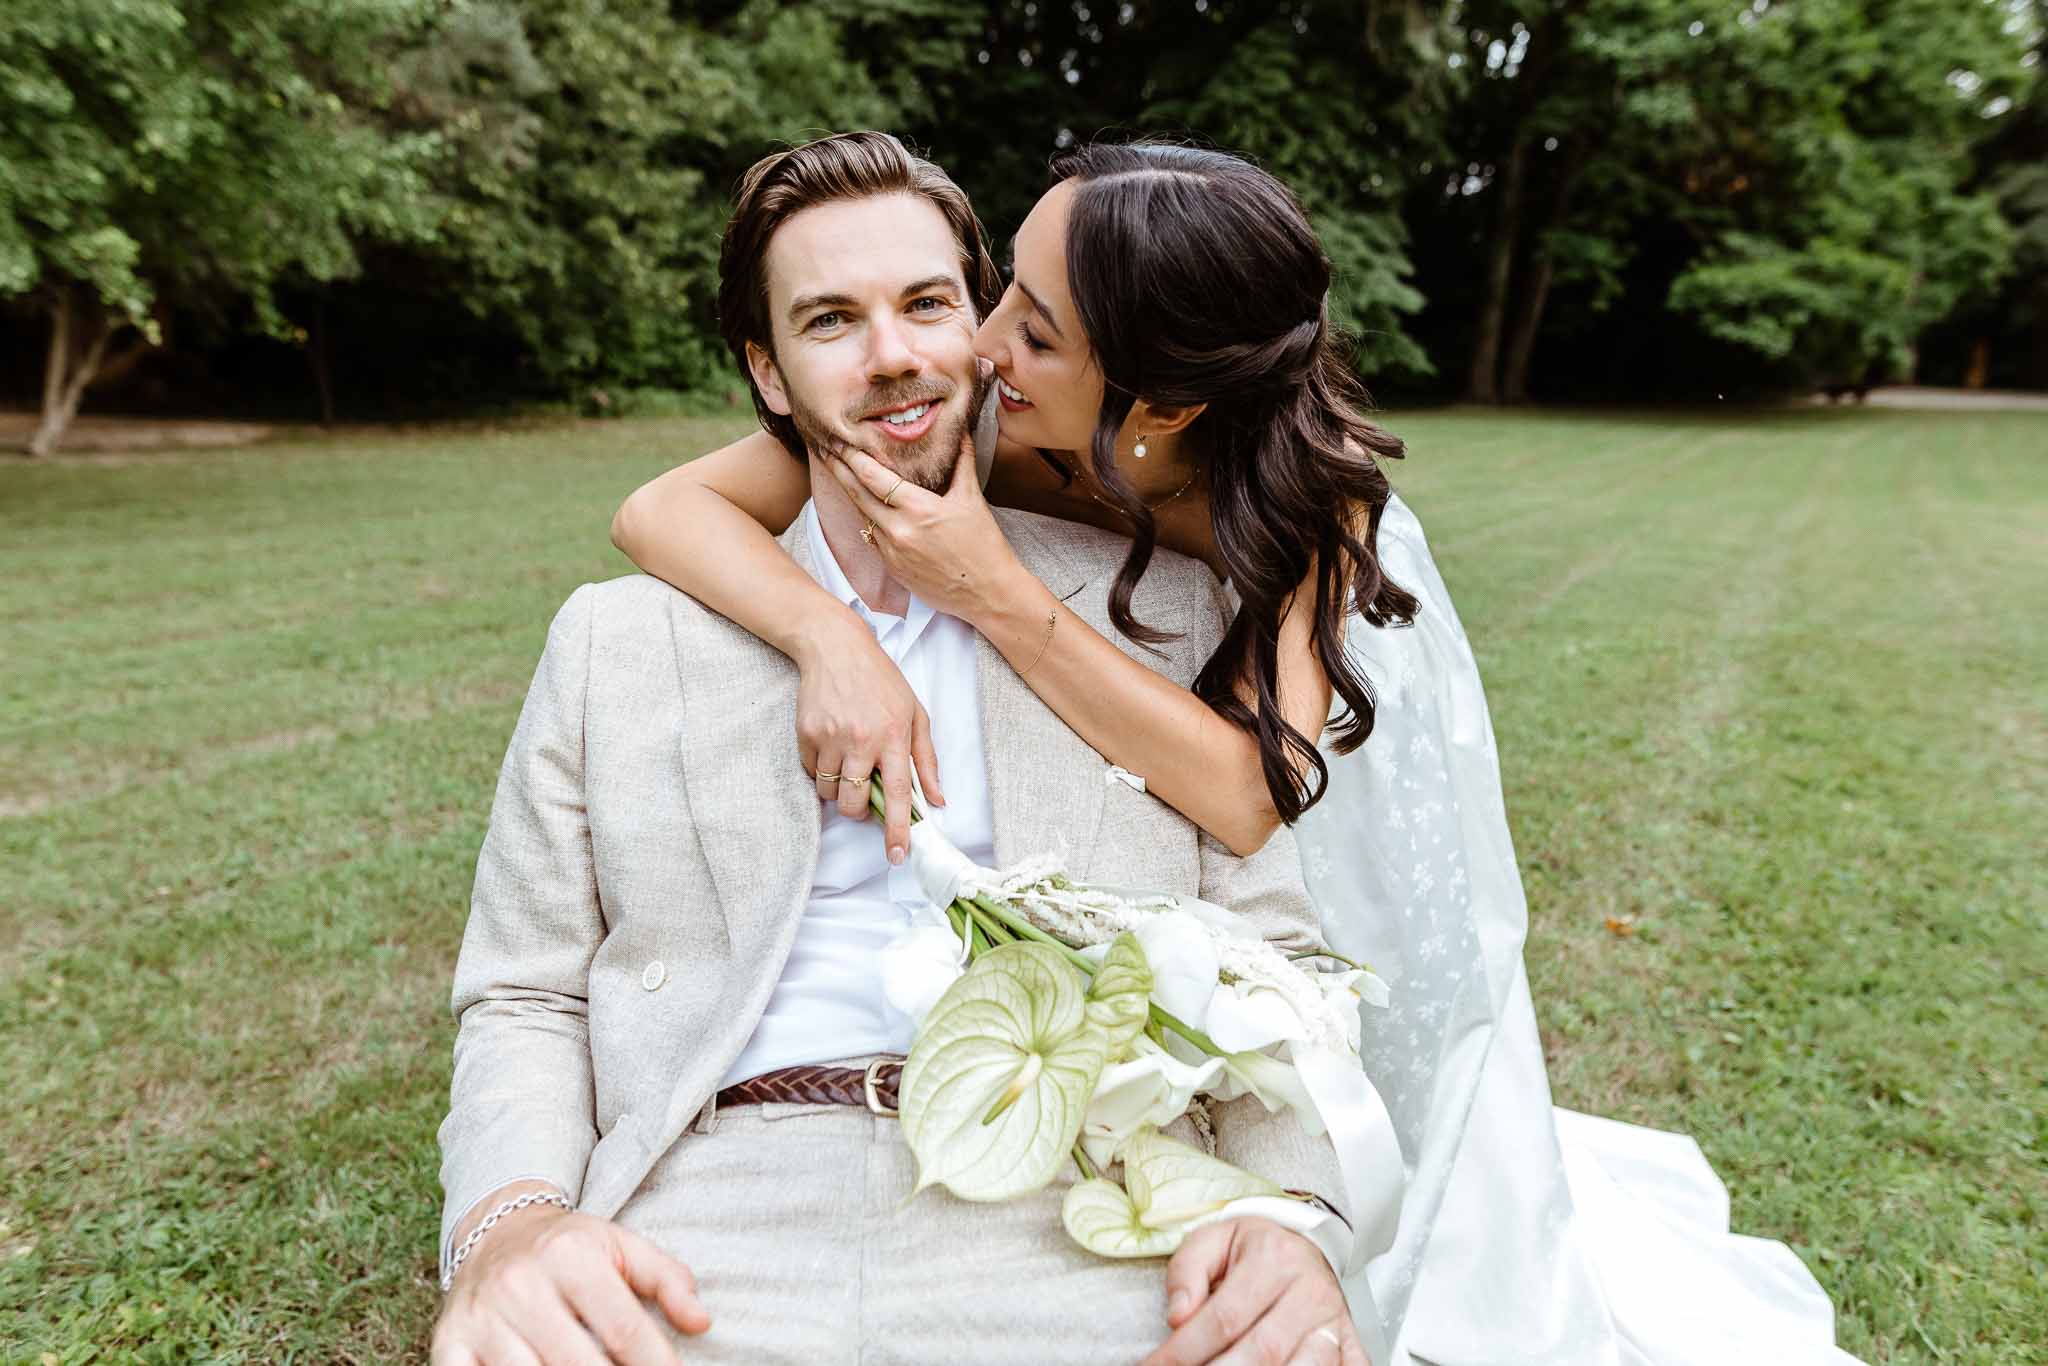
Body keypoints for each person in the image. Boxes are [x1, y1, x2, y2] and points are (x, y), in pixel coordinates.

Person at [612, 138, 1864, 1363]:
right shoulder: (980, 414)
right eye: (1003, 294)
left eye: (1033, 329)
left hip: (1286, 775)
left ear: (1156, 404)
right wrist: (831, 638)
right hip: (1134, 768)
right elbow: (659, 507)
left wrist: (993, 588)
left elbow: (1246, 792)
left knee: (1377, 1048)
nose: (981, 346)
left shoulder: (1310, 507)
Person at [433, 131, 1376, 1366]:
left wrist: (1286, 1215)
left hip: (1085, 1195)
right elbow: (525, 989)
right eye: (830, 322)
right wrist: (510, 1227)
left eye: (933, 303)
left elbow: (1271, 951)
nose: (900, 357)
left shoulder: (1183, 605)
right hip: (708, 1202)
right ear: (768, 376)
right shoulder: (620, 641)